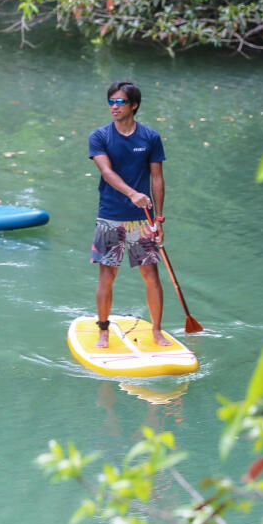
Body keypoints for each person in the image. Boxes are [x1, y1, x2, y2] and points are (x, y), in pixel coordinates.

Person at [88, 81, 171, 348]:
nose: (114, 106)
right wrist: (132, 194)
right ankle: (103, 329)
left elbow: (157, 178)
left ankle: (157, 330)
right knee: (107, 275)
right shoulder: (100, 136)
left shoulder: (150, 137)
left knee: (151, 275)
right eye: (111, 101)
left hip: (143, 219)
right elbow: (107, 172)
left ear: (133, 105)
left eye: (120, 102)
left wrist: (158, 219)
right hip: (110, 215)